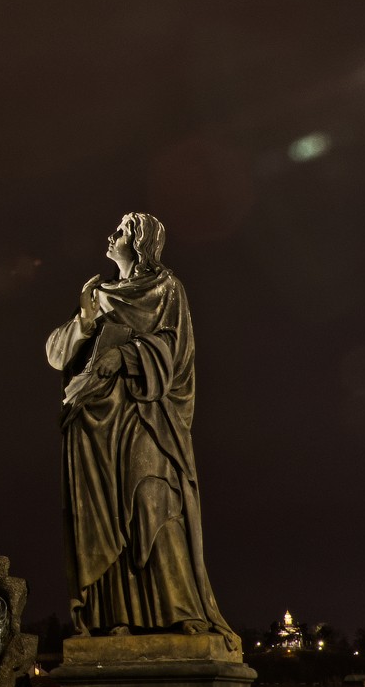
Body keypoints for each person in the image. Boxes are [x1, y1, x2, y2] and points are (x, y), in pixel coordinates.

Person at [45, 213, 242, 652]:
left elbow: (176, 349)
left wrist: (126, 356)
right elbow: (57, 355)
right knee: (105, 513)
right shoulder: (98, 294)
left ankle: (181, 610)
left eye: (120, 231)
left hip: (147, 415)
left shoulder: (166, 288)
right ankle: (113, 617)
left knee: (155, 500)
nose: (110, 236)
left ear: (139, 242)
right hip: (96, 422)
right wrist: (85, 319)